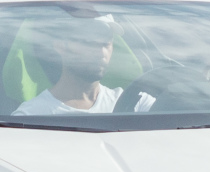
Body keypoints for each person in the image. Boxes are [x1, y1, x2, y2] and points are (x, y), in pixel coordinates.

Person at [13, 17, 154, 115]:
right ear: (61, 46)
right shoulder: (31, 115)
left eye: (106, 44)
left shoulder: (135, 104)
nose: (101, 52)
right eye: (89, 43)